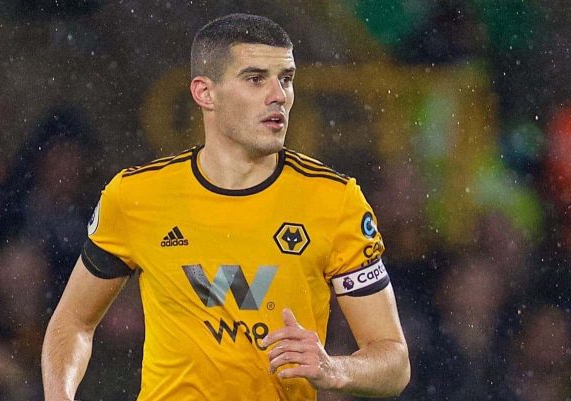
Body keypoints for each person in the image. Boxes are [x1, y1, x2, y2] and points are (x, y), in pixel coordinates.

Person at [41, 13, 410, 401]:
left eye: (286, 79)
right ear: (205, 93)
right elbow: (73, 322)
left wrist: (336, 369)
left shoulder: (335, 200)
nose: (279, 95)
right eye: (255, 79)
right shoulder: (135, 196)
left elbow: (394, 361)